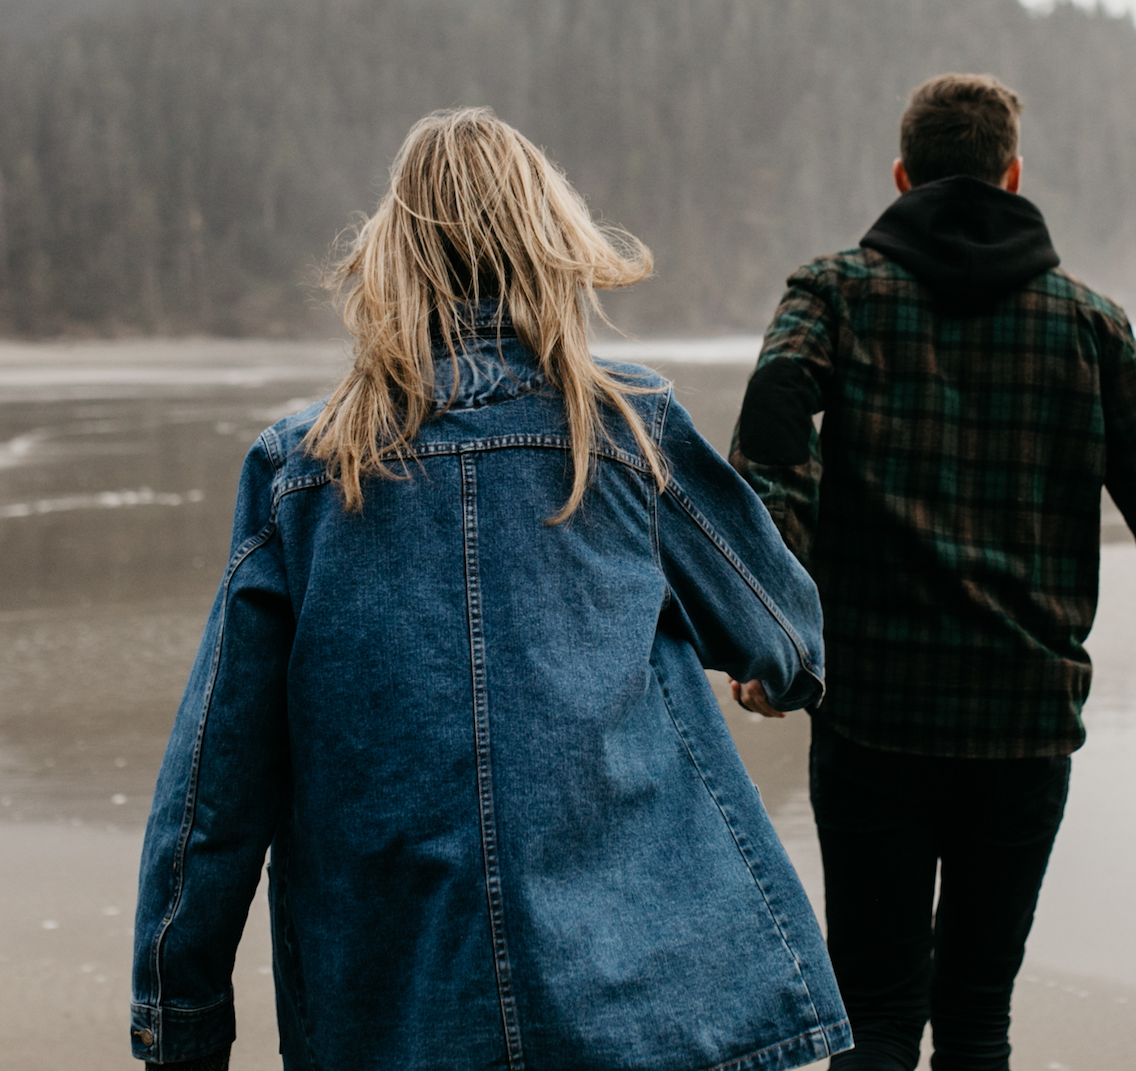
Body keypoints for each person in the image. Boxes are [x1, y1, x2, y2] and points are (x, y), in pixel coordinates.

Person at [128, 107, 851, 1071]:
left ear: (391, 256)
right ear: (552, 244)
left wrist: (181, 1021)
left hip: (391, 1016)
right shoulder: (628, 431)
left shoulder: (302, 469)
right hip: (640, 1009)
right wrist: (779, 678)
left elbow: (213, 788)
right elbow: (783, 629)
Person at [728, 73, 1136, 1071]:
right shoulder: (1088, 324)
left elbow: (770, 431)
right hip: (1023, 725)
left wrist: (772, 629)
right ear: (1012, 174)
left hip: (873, 719)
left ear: (902, 176)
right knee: (977, 1017)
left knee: (878, 1013)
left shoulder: (835, 292)